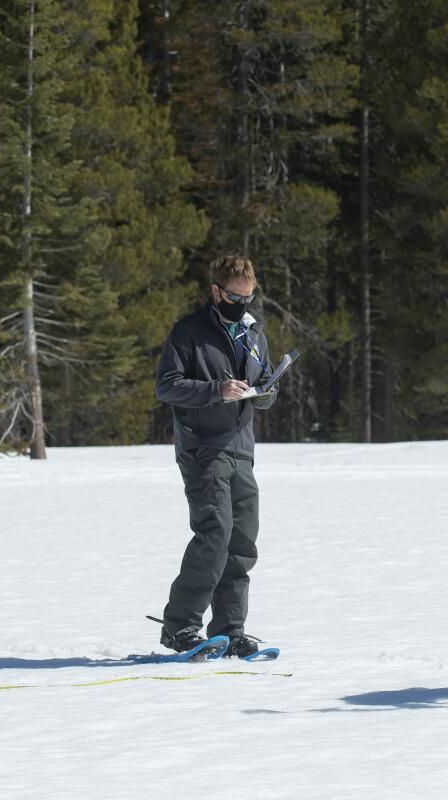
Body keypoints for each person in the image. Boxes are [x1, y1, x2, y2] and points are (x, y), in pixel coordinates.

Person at [153, 255, 278, 658]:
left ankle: (230, 628)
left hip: (242, 449)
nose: (242, 305)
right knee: (215, 532)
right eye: (234, 297)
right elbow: (167, 386)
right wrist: (215, 390)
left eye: (248, 297)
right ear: (215, 292)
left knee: (242, 541)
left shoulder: (254, 333)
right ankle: (181, 626)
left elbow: (266, 381)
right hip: (202, 446)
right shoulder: (188, 332)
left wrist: (266, 393)